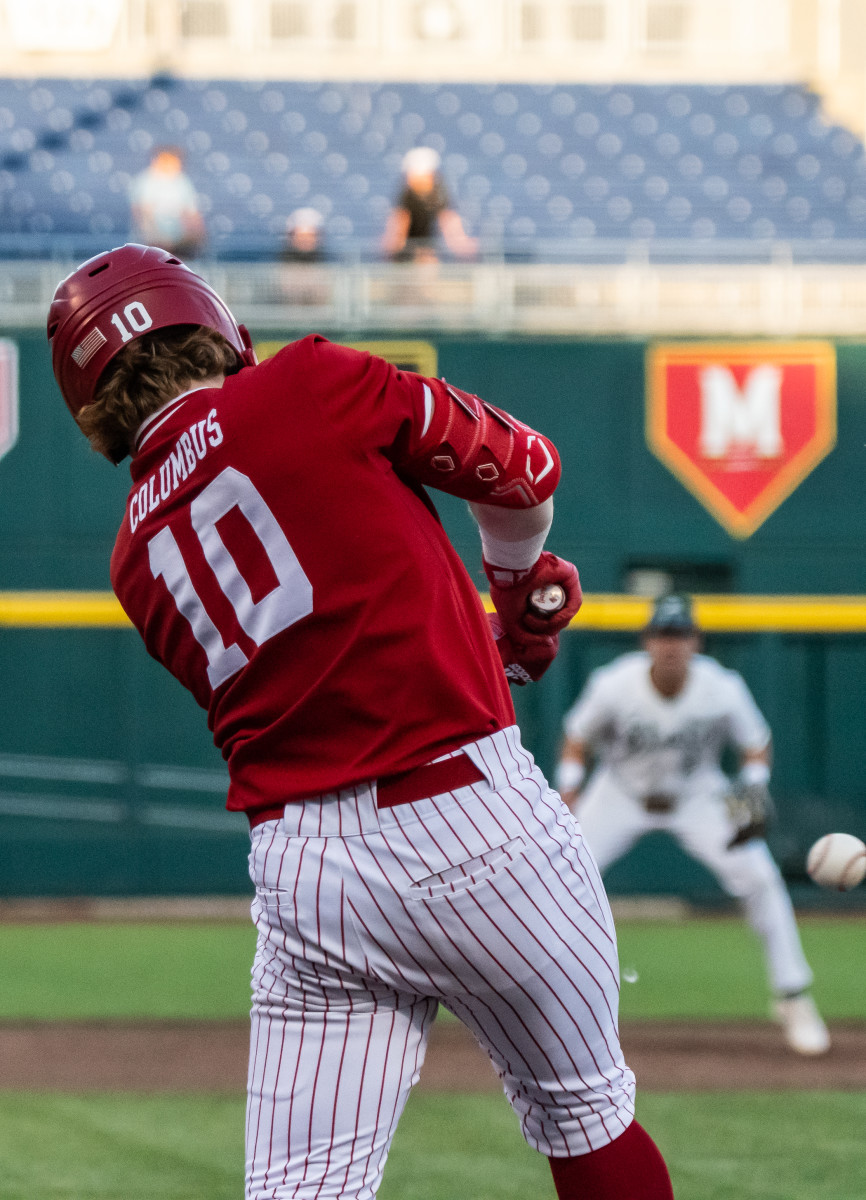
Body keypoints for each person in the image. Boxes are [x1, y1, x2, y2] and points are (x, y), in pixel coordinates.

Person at [47, 243, 674, 1200]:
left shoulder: (133, 552)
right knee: (586, 1118)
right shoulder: (304, 381)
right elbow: (526, 469)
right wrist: (512, 596)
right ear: (211, 323)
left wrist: (482, 637)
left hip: (306, 869)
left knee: (300, 1189)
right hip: (474, 822)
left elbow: (319, 657)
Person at [556, 593, 829, 1057]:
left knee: (761, 877)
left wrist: (752, 788)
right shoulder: (614, 684)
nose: (671, 644)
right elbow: (577, 739)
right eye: (663, 634)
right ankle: (543, 1006)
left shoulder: (722, 687)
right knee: (558, 882)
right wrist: (570, 790)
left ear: (696, 641)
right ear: (647, 640)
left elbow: (756, 745)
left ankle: (792, 997)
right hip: (620, 793)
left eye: (680, 634)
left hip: (697, 795)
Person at [381, 146, 478, 262]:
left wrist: (461, 243)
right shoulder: (407, 196)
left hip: (426, 250)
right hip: (408, 257)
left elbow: (449, 222)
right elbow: (398, 229)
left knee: (428, 260)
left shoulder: (438, 194)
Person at [129, 147, 207, 259]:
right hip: (153, 240)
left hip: (177, 238)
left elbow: (191, 213)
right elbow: (144, 215)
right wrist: (157, 237)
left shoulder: (182, 181)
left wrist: (197, 233)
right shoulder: (146, 181)